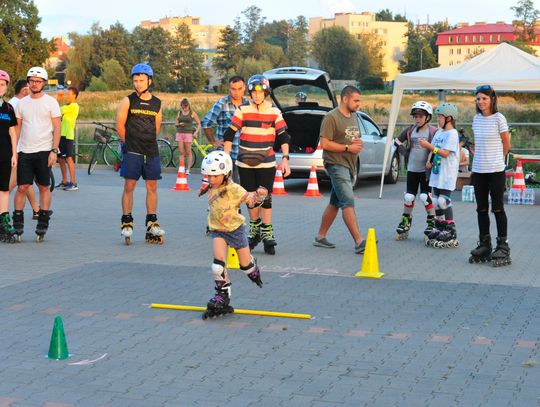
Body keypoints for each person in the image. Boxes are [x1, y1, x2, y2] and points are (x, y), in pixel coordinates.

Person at [223, 74, 291, 255]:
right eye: (254, 92)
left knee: (265, 196)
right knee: (251, 198)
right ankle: (254, 230)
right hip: (245, 162)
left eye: (261, 93)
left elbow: (283, 136)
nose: (257, 96)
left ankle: (267, 232)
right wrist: (226, 159)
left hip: (266, 162)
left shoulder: (274, 112)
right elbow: (229, 134)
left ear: (266, 93)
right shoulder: (242, 110)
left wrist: (285, 158)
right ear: (250, 93)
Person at [199, 150, 264, 319]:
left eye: (215, 176)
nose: (211, 180)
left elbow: (251, 200)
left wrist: (259, 196)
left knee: (246, 267)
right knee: (217, 266)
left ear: (226, 174)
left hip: (235, 230)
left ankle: (253, 266)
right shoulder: (209, 185)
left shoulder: (234, 189)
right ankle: (223, 295)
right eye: (208, 176)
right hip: (217, 230)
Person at [313, 85, 366, 254]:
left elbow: (353, 139)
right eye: (356, 100)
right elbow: (325, 143)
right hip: (336, 165)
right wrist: (347, 149)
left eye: (359, 101)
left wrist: (357, 145)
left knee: (335, 202)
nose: (358, 104)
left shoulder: (353, 116)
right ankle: (359, 241)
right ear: (345, 99)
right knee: (347, 201)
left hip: (349, 165)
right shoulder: (331, 117)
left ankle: (321, 237)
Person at [116, 63, 164, 245]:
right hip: (132, 150)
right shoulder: (127, 101)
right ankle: (127, 220)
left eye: (141, 80)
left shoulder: (157, 103)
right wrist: (128, 144)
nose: (138, 84)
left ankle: (152, 222)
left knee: (152, 186)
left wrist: (146, 141)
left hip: (151, 150)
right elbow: (120, 125)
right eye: (135, 80)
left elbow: (156, 127)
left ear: (149, 81)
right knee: (129, 186)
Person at [13, 67, 61, 242]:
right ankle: (17, 221)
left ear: (44, 83)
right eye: (31, 81)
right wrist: (14, 152)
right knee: (22, 187)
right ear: (28, 82)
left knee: (43, 187)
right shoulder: (21, 103)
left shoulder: (51, 102)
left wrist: (54, 151)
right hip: (25, 150)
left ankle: (43, 221)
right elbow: (17, 129)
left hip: (44, 151)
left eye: (38, 81)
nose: (34, 84)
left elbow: (57, 128)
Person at [468, 85, 511, 267]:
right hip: (479, 170)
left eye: (484, 98)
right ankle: (485, 244)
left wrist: (495, 160)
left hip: (495, 170)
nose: (481, 102)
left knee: (498, 208)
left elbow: (506, 145)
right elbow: (479, 144)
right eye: (478, 99)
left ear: (492, 99)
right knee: (481, 209)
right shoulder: (476, 119)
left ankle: (503, 245)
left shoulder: (499, 118)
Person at [393, 101, 438, 241]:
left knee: (426, 197)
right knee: (409, 197)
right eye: (415, 116)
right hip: (412, 169)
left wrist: (431, 161)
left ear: (427, 117)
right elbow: (397, 141)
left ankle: (432, 223)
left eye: (420, 116)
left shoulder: (432, 131)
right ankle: (405, 222)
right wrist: (405, 152)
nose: (417, 119)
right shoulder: (410, 130)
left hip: (425, 172)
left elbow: (437, 148)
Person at [419, 103, 460, 248]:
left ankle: (450, 229)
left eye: (440, 117)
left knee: (444, 201)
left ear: (449, 118)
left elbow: (444, 153)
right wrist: (429, 160)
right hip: (436, 173)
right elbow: (434, 149)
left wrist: (428, 146)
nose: (438, 120)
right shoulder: (439, 133)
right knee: (436, 201)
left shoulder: (453, 134)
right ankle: (439, 225)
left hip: (447, 173)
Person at [201, 76, 249, 180]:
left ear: (244, 87)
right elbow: (206, 122)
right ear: (229, 88)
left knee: (242, 191)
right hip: (226, 156)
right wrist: (213, 141)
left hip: (244, 155)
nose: (236, 92)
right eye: (233, 89)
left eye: (239, 89)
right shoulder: (222, 103)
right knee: (225, 191)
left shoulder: (248, 105)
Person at [8, 79, 39, 217]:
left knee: (25, 183)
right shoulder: (16, 105)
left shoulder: (11, 103)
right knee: (10, 185)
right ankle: (36, 210)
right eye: (29, 88)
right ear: (24, 90)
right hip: (17, 150)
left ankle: (37, 210)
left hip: (19, 150)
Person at [0, 70, 18, 242]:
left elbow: (12, 132)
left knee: (4, 189)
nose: (0, 87)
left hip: (5, 154)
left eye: (2, 84)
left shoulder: (8, 108)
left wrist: (14, 154)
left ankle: (3, 220)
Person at [56, 86, 80, 191]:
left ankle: (73, 182)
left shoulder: (74, 106)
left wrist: (58, 99)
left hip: (68, 136)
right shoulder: (67, 105)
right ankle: (64, 181)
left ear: (74, 95)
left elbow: (56, 110)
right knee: (60, 158)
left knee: (69, 158)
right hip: (61, 135)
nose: (67, 96)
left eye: (68, 94)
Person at [175, 97, 201, 174]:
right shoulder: (179, 112)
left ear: (188, 105)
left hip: (188, 134)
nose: (184, 108)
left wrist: (196, 132)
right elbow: (176, 123)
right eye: (183, 107)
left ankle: (188, 169)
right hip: (180, 133)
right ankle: (182, 168)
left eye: (186, 106)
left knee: (188, 151)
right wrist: (179, 124)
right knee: (181, 152)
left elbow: (199, 124)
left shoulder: (192, 113)